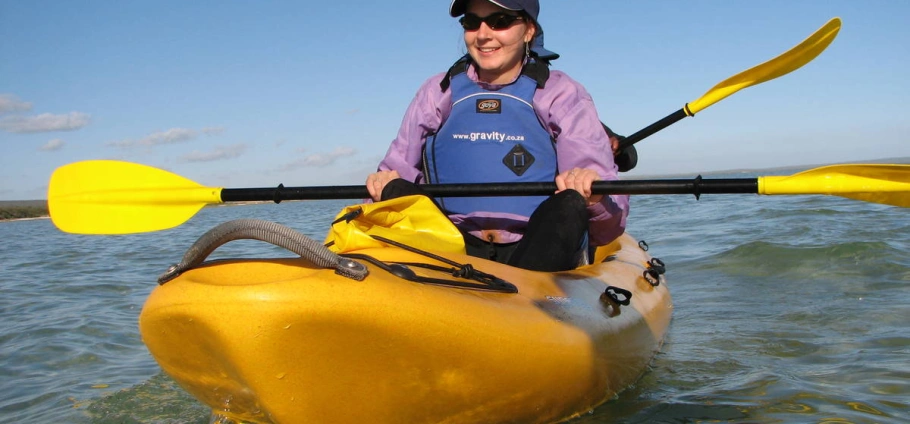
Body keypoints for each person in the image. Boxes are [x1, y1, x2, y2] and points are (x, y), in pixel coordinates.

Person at [366, 0, 629, 272]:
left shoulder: (562, 93)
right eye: (471, 22)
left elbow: (608, 229)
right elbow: (396, 171)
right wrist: (380, 184)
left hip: (537, 246)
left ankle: (524, 305)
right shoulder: (437, 92)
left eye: (499, 21)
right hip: (452, 245)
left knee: (571, 204)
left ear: (528, 30)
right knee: (392, 187)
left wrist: (594, 196)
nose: (482, 34)